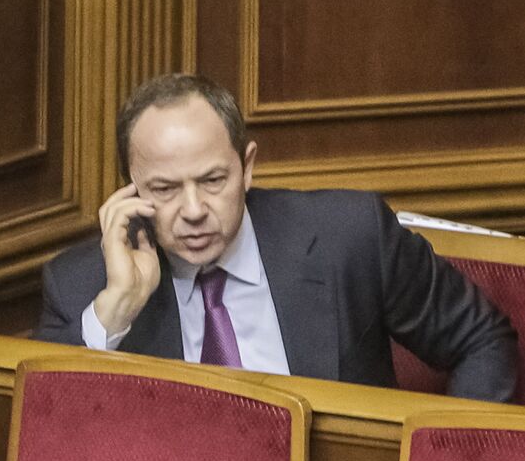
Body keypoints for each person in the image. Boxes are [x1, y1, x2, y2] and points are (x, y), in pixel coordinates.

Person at [37, 73, 516, 401]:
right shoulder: (82, 286)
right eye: (163, 189)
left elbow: (483, 340)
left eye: (212, 180)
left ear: (247, 168)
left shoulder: (349, 235)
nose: (194, 211)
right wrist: (115, 312)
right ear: (131, 191)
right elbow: (49, 431)